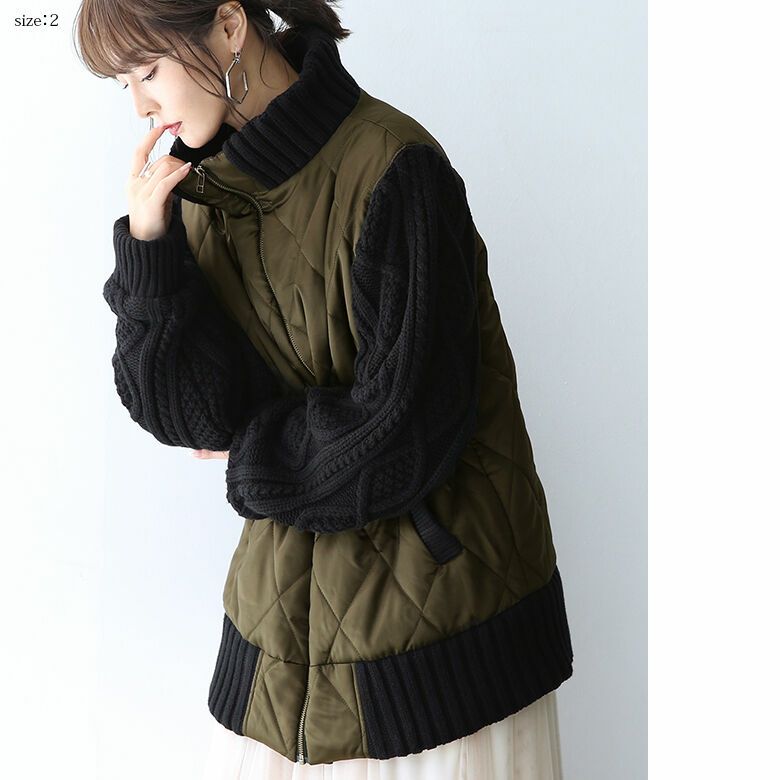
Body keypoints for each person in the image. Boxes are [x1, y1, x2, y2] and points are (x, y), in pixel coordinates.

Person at [75, 1, 575, 777]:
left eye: (148, 71)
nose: (140, 105)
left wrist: (253, 455)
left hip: (441, 634)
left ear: (230, 27)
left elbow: (403, 431)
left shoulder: (395, 168)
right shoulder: (202, 193)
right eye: (124, 85)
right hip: (278, 635)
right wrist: (149, 244)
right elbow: (190, 418)